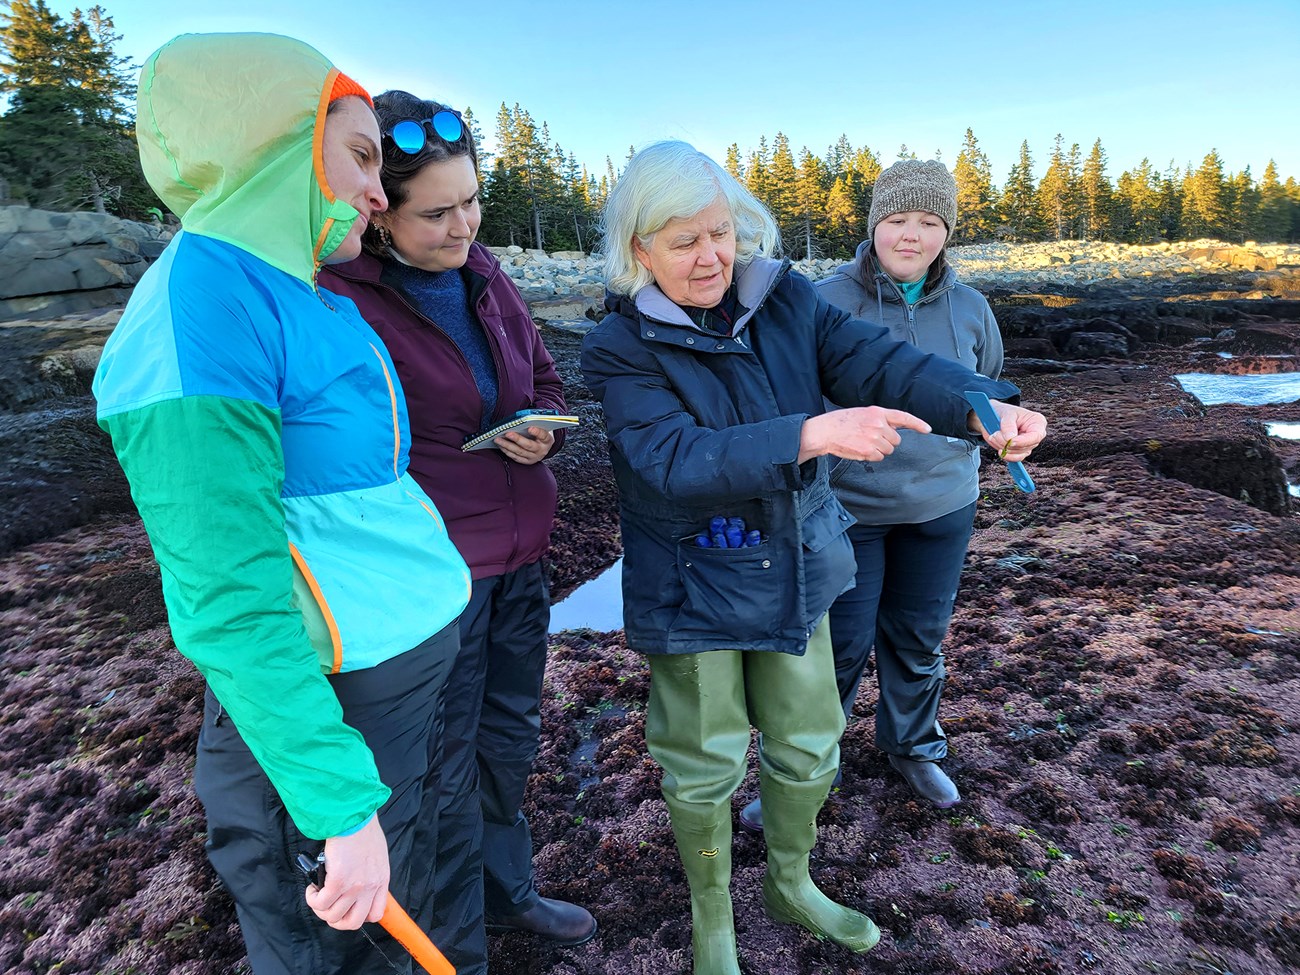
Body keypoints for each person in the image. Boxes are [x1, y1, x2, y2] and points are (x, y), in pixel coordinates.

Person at [580, 141, 1046, 975]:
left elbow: (881, 361)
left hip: (799, 564)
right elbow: (671, 457)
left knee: (809, 742)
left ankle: (790, 881)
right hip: (694, 587)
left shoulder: (787, 300)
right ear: (638, 250)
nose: (711, 256)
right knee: (706, 763)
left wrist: (981, 403)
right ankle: (712, 918)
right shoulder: (620, 346)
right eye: (683, 241)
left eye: (720, 231)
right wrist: (810, 433)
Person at [92, 34, 472, 975]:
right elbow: (229, 598)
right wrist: (339, 808)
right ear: (274, 147)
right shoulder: (199, 311)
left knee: (395, 918)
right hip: (329, 704)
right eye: (358, 156)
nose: (378, 194)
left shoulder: (299, 290)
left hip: (395, 670)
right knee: (318, 939)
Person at [318, 91, 596, 961]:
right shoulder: (342, 302)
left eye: (471, 199)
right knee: (438, 768)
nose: (464, 224)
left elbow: (545, 379)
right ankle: (450, 934)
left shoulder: (487, 276)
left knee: (508, 736)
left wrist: (541, 425)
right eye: (436, 212)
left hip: (520, 558)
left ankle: (506, 891)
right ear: (379, 209)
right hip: (433, 579)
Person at [739, 159, 1000, 831]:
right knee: (837, 646)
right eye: (897, 219)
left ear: (947, 232)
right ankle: (804, 770)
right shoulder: (821, 300)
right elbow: (784, 395)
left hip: (942, 505)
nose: (911, 235)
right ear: (873, 223)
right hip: (844, 510)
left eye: (929, 222)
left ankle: (912, 746)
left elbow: (987, 386)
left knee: (918, 637)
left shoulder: (972, 308)